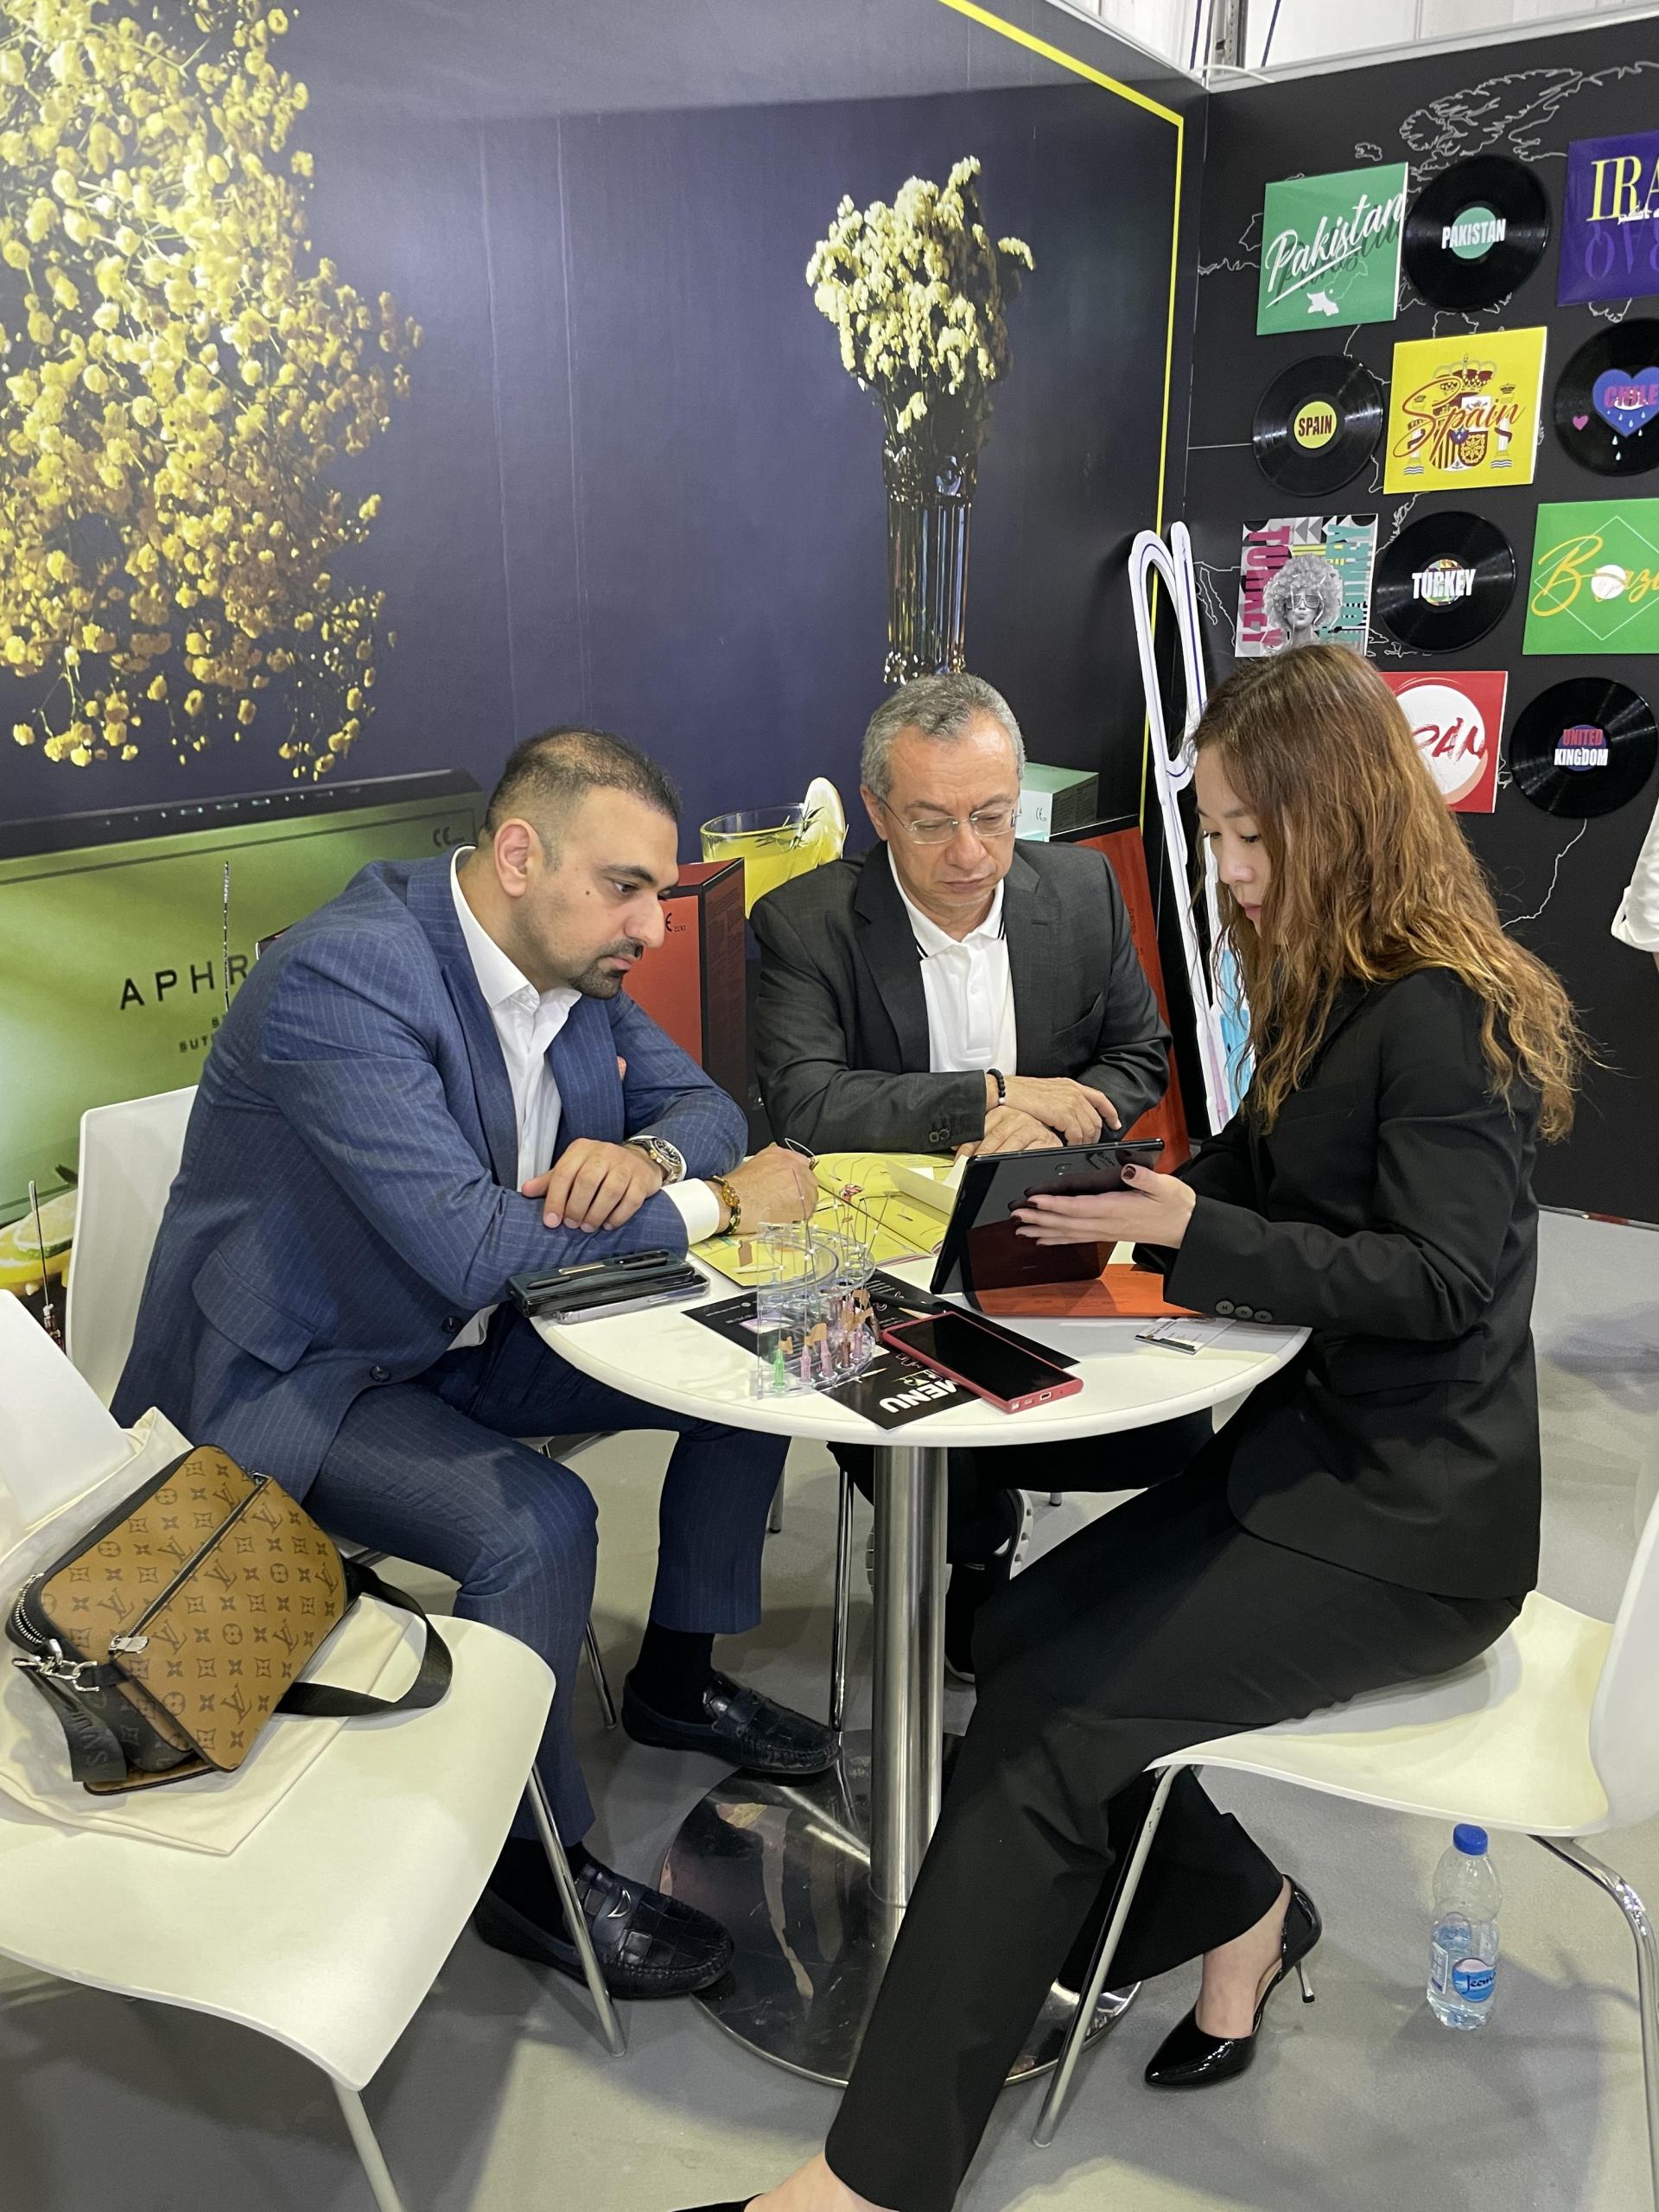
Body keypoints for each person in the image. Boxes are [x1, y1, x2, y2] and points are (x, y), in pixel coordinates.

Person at [672, 642, 1584, 2212]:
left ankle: (866, 2185)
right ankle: (1241, 1908)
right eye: (1215, 836)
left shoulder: (1440, 1014)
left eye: (1249, 836)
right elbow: (1259, 1173)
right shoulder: (1340, 982)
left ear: (1347, 814)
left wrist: (1185, 1229)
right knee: (1021, 1635)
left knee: (1044, 1736)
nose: (1227, 874)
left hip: (1412, 1529)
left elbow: (1438, 1282)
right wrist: (1115, 1215)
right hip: (1316, 1465)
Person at [115, 725, 830, 2002]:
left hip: (473, 1338)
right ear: (516, 855)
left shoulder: (571, 969)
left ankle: (676, 1681)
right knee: (538, 1523)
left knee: (750, 1363)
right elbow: (468, 1244)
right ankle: (527, 1863)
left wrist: (651, 1159)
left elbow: (711, 1107)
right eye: (625, 888)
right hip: (307, 1373)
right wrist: (714, 1203)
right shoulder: (345, 978)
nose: (652, 928)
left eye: (658, 893)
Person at [750, 672, 1205, 1675]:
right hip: (875, 1251)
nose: (969, 853)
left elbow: (1139, 1055)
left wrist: (1051, 1116)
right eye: (932, 823)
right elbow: (807, 1103)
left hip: (1037, 1220)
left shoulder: (1080, 893)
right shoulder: (805, 922)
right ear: (878, 811)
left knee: (1168, 1434)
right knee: (915, 1450)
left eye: (993, 817)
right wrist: (990, 1094)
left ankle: (995, 1525)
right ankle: (973, 1536)